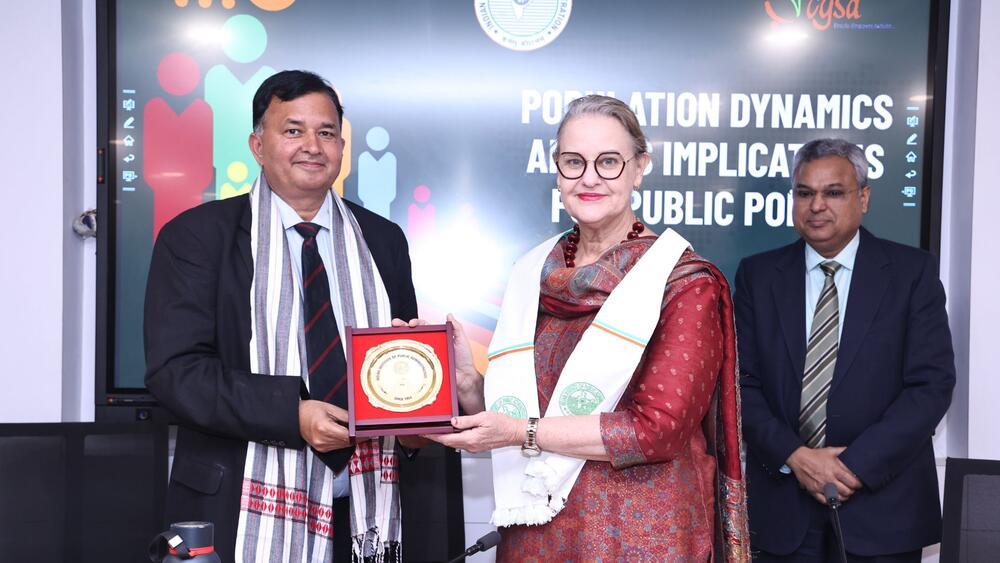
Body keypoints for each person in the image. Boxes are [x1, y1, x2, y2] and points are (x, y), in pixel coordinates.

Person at [430, 95, 749, 561]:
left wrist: (522, 432)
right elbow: (511, 414)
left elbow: (655, 430)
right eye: (573, 162)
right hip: (536, 537)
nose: (590, 177)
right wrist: (466, 383)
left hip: (639, 539)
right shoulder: (532, 272)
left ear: (640, 167)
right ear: (557, 171)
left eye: (609, 162)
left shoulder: (682, 283)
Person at [144, 70, 423, 563]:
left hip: (365, 515)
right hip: (241, 511)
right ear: (257, 145)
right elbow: (176, 374)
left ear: (342, 146)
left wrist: (419, 416)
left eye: (327, 132)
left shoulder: (383, 240)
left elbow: (400, 365)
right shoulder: (196, 237)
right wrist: (291, 415)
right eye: (293, 130)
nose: (312, 146)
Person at [735, 138, 956, 562]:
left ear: (864, 198)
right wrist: (796, 457)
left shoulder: (913, 273)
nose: (817, 205)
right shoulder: (758, 276)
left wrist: (852, 467)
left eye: (833, 192)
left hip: (884, 510)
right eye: (804, 193)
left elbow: (931, 386)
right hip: (783, 510)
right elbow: (741, 384)